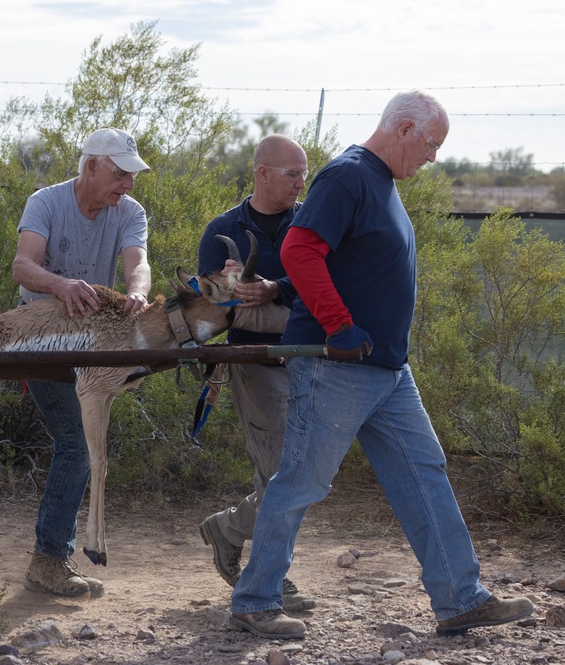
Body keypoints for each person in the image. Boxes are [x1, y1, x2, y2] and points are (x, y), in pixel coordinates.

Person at [228, 90, 535, 639]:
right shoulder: (347, 177)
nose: (433, 156)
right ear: (403, 129)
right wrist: (338, 324)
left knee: (424, 472)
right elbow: (300, 249)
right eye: (431, 143)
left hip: (388, 370)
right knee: (300, 481)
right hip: (336, 366)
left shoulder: (381, 183)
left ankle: (460, 597)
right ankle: (255, 600)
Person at [11, 127, 152, 597]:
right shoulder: (46, 202)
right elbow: (23, 266)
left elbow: (139, 262)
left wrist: (138, 291)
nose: (128, 184)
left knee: (83, 447)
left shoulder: (129, 212)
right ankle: (49, 561)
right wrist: (60, 284)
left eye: (132, 175)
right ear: (91, 165)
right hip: (41, 338)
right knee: (77, 445)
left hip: (92, 344)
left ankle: (52, 557)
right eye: (121, 173)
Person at [196, 134, 315, 612]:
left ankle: (227, 528)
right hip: (255, 361)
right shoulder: (223, 228)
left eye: (304, 174)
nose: (301, 183)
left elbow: (330, 283)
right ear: (262, 173)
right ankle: (270, 577)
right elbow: (211, 308)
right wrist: (227, 288)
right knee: (283, 472)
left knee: (304, 472)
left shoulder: (312, 221)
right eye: (292, 173)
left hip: (313, 359)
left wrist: (272, 291)